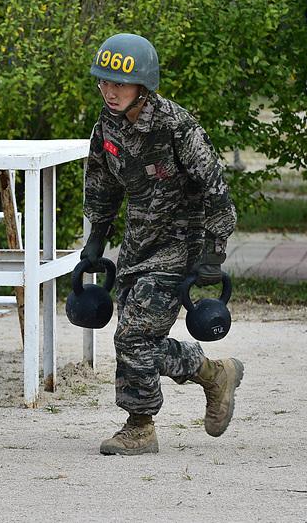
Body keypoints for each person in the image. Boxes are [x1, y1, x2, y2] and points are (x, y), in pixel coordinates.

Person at [81, 32, 242, 456]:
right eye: (104, 82)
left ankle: (140, 426)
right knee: (139, 338)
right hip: (138, 243)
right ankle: (212, 372)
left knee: (132, 337)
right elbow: (101, 182)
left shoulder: (177, 127)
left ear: (143, 86)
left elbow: (216, 189)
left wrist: (213, 254)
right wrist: (96, 239)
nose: (109, 91)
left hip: (182, 246)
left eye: (119, 84)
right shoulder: (107, 125)